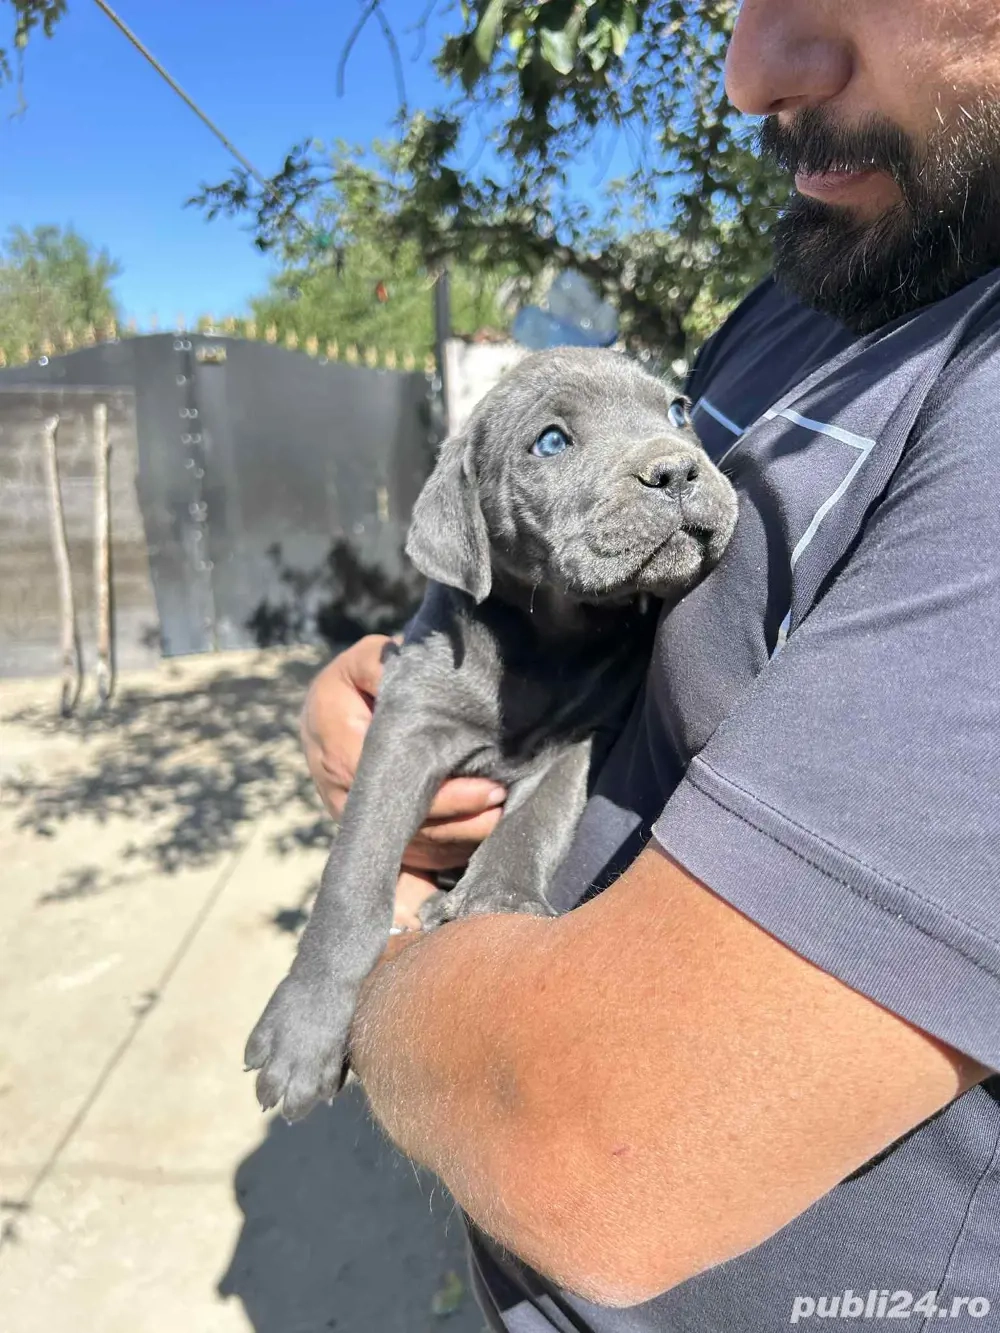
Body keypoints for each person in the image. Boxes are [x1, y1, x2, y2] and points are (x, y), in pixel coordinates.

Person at [301, 3, 1000, 1328]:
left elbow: (592, 1148)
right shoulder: (818, 283)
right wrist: (409, 694)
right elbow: (606, 604)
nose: (751, 70)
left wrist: (370, 938)